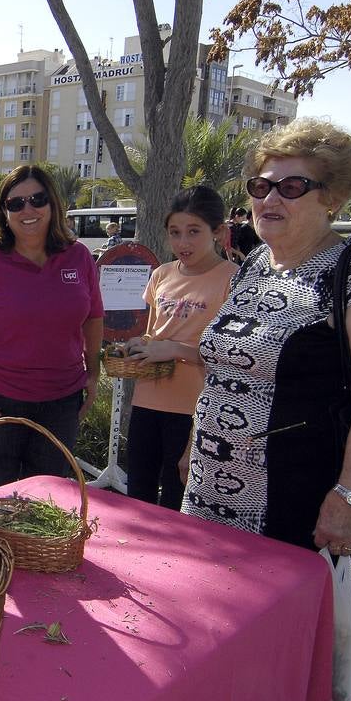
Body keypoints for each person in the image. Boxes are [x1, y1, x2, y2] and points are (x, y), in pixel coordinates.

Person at [181, 119, 351, 558]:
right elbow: (224, 368)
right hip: (209, 487)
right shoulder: (254, 264)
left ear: (333, 197)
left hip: (289, 495)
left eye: (291, 188)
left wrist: (350, 497)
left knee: (274, 619)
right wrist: (196, 442)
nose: (268, 198)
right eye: (261, 186)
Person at [0, 165, 104, 492]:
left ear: (53, 203)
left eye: (37, 199)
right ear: (4, 213)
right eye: (15, 204)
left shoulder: (78, 257)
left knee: (49, 504)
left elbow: (94, 317)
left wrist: (94, 373)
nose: (27, 210)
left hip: (61, 402)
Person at [123, 186, 237, 509]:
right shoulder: (160, 275)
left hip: (195, 410)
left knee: (177, 504)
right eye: (175, 233)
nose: (182, 243)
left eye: (193, 232)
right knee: (138, 501)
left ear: (218, 232)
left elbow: (233, 360)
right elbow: (152, 335)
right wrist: (137, 347)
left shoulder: (232, 279)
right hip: (147, 402)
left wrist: (175, 350)